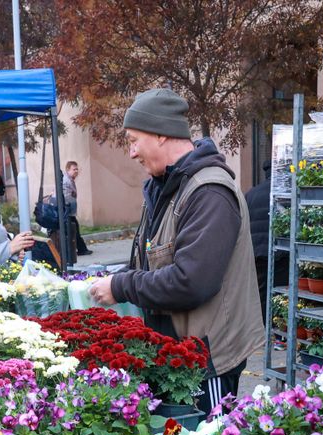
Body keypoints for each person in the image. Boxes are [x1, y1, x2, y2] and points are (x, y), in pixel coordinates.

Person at [88, 89, 264, 414]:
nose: (131, 153)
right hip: (178, 355)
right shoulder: (166, 186)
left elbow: (191, 282)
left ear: (160, 134)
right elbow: (150, 260)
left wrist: (120, 286)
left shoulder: (208, 192)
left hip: (207, 361)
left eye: (133, 140)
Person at [244, 164, 284, 317]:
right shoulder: (282, 193)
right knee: (278, 295)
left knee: (260, 295)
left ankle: (262, 328)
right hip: (278, 253)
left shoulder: (252, 193)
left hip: (255, 252)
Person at [62, 161, 92, 256]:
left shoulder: (70, 179)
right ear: (68, 170)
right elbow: (67, 197)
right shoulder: (66, 181)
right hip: (68, 212)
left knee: (74, 229)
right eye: (74, 169)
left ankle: (80, 249)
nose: (76, 171)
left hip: (69, 211)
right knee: (74, 229)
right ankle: (81, 249)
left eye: (77, 169)